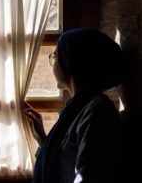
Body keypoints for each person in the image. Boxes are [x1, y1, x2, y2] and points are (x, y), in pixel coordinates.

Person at [24, 28, 124, 183]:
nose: (53, 62)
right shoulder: (77, 109)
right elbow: (66, 161)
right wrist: (43, 140)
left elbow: (87, 176)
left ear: (71, 61)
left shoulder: (96, 113)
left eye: (55, 56)